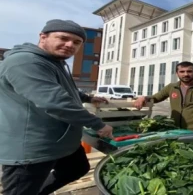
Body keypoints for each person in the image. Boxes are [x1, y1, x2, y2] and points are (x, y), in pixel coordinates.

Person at [0, 19, 114, 195]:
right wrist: (97, 124)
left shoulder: (55, 62)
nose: (70, 45)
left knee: (77, 168)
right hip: (32, 147)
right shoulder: (26, 62)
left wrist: (88, 97)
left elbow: (64, 89)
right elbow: (55, 102)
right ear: (43, 37)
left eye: (77, 42)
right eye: (63, 38)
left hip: (59, 141)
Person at [134, 61, 193, 133]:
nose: (186, 74)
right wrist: (143, 98)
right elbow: (156, 98)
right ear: (177, 73)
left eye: (189, 71)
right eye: (182, 71)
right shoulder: (171, 87)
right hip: (176, 128)